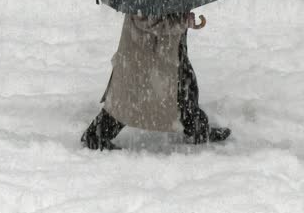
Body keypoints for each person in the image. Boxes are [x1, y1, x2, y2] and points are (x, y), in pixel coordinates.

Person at [81, 12, 231, 150]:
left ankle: (196, 128)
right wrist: (181, 22)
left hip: (166, 46)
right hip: (145, 48)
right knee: (130, 96)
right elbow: (145, 20)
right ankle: (96, 135)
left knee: (185, 84)